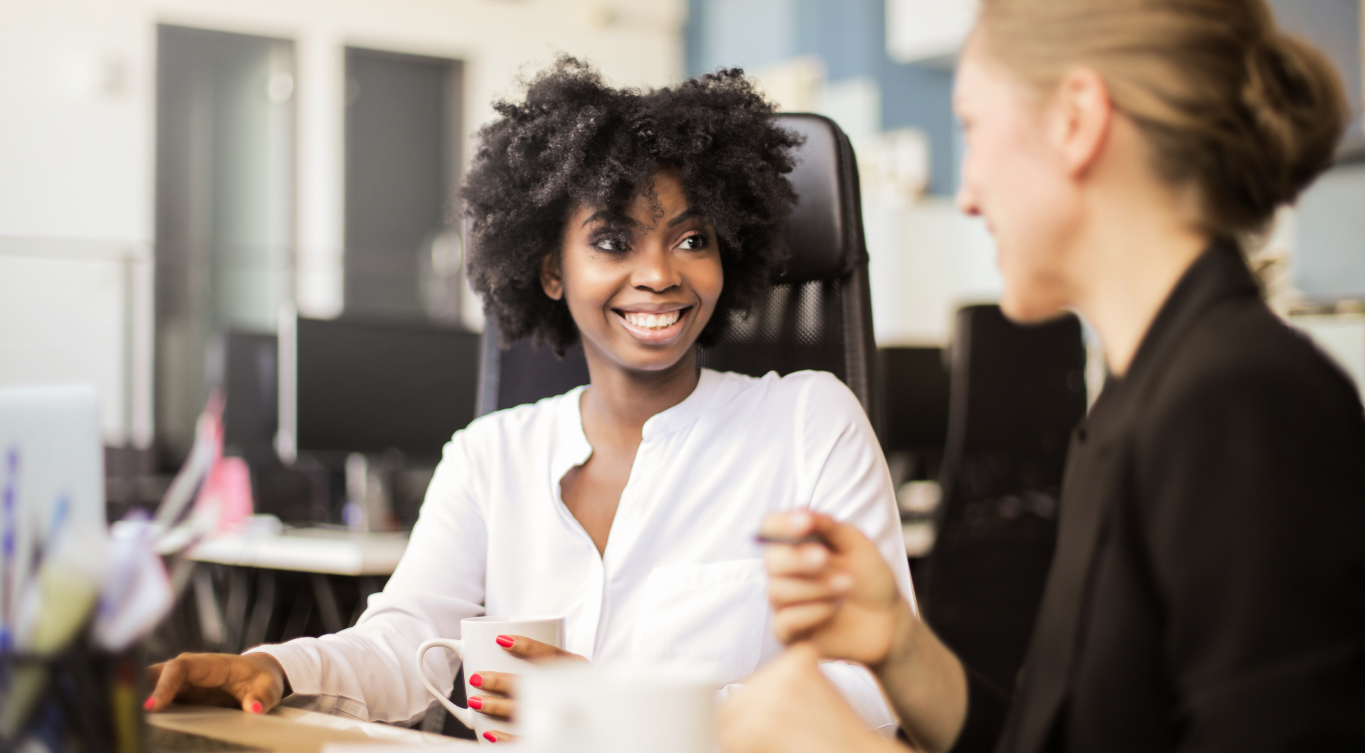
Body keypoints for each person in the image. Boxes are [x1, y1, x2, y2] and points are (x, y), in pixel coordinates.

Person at [145, 57, 914, 742]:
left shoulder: (809, 421)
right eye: (614, 240)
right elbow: (404, 641)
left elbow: (874, 687)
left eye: (691, 239)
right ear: (550, 270)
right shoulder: (491, 453)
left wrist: (624, 708)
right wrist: (274, 668)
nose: (659, 274)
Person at [721, 1, 1365, 752]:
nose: (966, 194)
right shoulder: (1133, 405)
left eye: (971, 126)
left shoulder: (1242, 406)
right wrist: (898, 643)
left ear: (1076, 120)